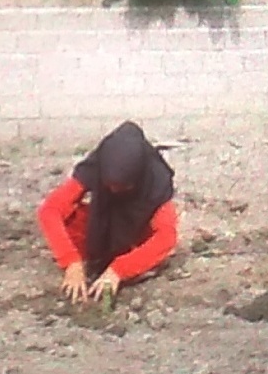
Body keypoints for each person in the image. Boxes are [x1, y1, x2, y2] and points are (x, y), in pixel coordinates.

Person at [37, 121, 178, 303]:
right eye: (109, 186)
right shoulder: (98, 166)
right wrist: (71, 262)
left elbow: (167, 237)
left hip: (135, 239)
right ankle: (94, 259)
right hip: (100, 229)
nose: (115, 191)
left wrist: (119, 270)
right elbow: (50, 210)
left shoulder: (155, 180)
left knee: (158, 245)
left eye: (122, 187)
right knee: (69, 217)